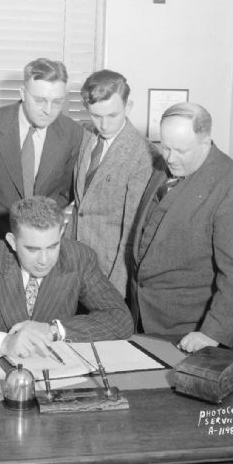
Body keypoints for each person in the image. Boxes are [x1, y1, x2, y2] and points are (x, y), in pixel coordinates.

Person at [130, 102, 233, 352]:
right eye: (165, 146)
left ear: (206, 142)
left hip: (192, 334)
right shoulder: (167, 165)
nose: (170, 157)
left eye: (180, 150)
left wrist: (212, 334)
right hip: (146, 323)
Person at [0, 196, 133, 359]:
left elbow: (120, 318)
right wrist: (6, 343)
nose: (44, 260)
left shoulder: (79, 258)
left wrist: (53, 330)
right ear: (12, 241)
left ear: (61, 233)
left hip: (58, 374)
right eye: (33, 249)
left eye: (52, 246)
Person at [66, 69, 157, 299]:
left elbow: (131, 232)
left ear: (128, 107)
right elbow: (82, 205)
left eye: (112, 115)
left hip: (108, 274)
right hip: (72, 264)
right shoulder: (87, 135)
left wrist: (113, 296)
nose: (104, 124)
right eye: (96, 115)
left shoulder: (144, 156)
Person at [0, 58, 83, 241]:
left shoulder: (72, 133)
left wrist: (41, 221)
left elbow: (67, 191)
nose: (48, 110)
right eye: (40, 100)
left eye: (57, 102)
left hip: (40, 243)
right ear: (23, 93)